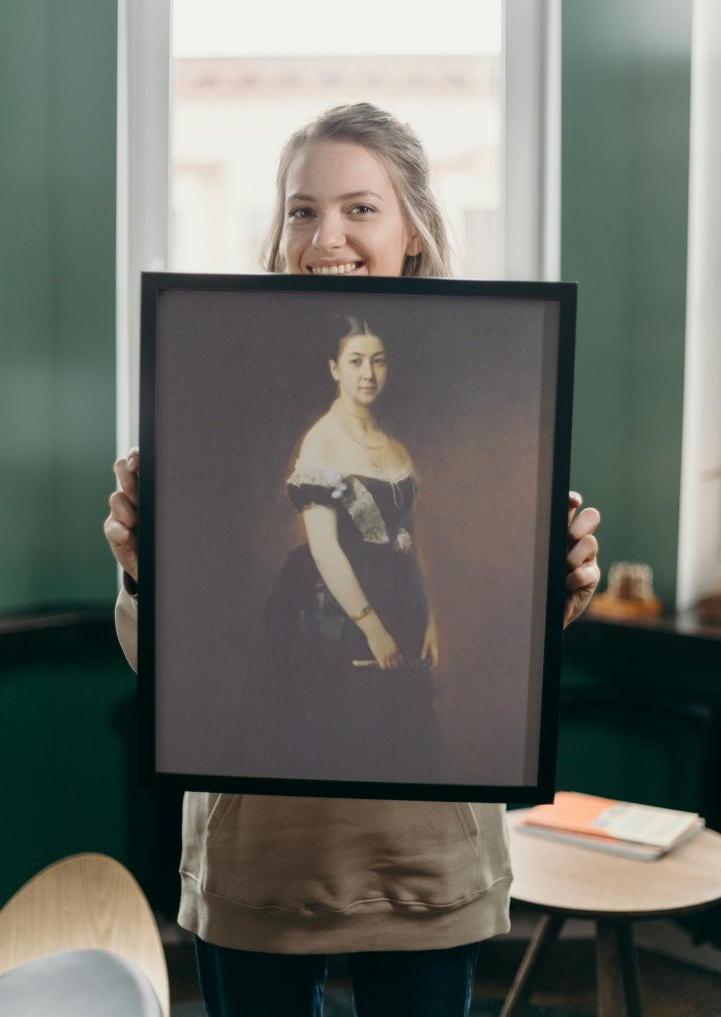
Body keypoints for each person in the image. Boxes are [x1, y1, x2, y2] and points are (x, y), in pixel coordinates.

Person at [105, 102, 601, 1017]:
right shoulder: (215, 376)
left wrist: (554, 592)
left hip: (422, 854)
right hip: (265, 852)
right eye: (301, 209)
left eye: (359, 208)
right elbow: (171, 662)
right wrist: (143, 573)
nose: (324, 234)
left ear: (412, 228)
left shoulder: (492, 364)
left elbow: (418, 559)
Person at [240, 312, 441, 785]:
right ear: (334, 368)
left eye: (378, 361)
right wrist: (372, 629)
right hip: (341, 613)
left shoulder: (394, 447)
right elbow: (325, 549)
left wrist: (428, 617)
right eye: (355, 361)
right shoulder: (322, 443)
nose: (368, 374)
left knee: (404, 742)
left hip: (401, 599)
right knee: (352, 736)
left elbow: (408, 540)